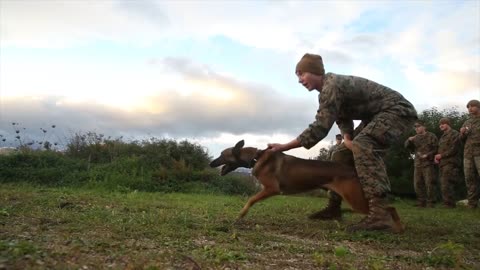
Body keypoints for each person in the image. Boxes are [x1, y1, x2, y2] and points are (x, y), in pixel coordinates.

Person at [267, 53, 417, 232]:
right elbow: (342, 117)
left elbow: (320, 128)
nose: (299, 80)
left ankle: (380, 214)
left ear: (315, 72)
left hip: (397, 111)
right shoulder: (327, 91)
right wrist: (347, 138)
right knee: (340, 154)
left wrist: (284, 147)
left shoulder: (332, 86)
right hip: (376, 117)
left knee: (363, 145)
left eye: (301, 74)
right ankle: (334, 207)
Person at [404, 120, 438, 207]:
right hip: (418, 164)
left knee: (429, 183)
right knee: (417, 184)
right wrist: (408, 140)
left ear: (424, 127)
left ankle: (431, 203)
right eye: (415, 127)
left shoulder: (431, 136)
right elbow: (407, 147)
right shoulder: (415, 138)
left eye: (418, 126)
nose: (416, 128)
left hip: (428, 163)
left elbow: (436, 149)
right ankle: (421, 202)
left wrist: (427, 155)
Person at [434, 118, 462, 208]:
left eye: (443, 123)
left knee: (447, 183)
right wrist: (436, 157)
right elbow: (440, 149)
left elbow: (454, 149)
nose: (441, 125)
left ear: (448, 124)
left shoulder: (454, 134)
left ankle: (449, 204)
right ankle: (447, 203)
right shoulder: (443, 136)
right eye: (440, 124)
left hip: (451, 162)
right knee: (443, 183)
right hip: (443, 163)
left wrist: (441, 155)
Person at [460, 99, 480, 209]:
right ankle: (472, 204)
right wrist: (462, 133)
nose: (470, 109)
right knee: (469, 178)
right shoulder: (467, 122)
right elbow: (461, 140)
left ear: (478, 107)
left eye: (472, 106)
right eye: (468, 107)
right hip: (468, 154)